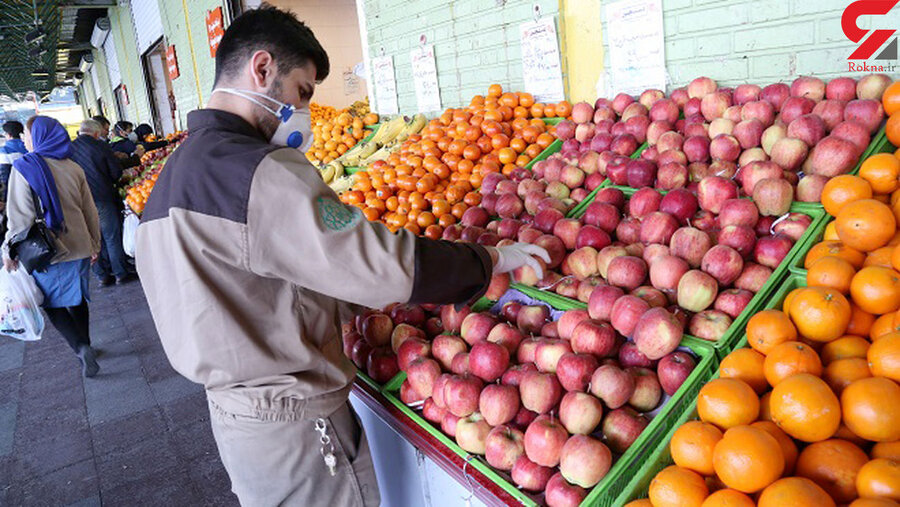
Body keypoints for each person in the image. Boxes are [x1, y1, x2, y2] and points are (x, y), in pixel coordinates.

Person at [135, 6, 547, 506]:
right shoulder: (255, 172)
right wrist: (490, 261)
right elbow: (381, 263)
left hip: (240, 422)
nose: (304, 111)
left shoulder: (169, 184)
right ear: (261, 69)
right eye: (302, 92)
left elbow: (257, 288)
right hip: (297, 426)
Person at [3, 116, 102, 377]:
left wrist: (8, 250)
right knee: (78, 298)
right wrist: (95, 243)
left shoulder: (23, 168)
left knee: (52, 304)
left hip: (48, 250)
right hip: (80, 246)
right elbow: (89, 210)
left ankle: (81, 347)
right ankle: (87, 344)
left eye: (27, 134)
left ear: (39, 137)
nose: (25, 139)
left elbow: (19, 217)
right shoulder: (73, 167)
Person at [70, 119, 134, 286]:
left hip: (80, 201)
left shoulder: (69, 148)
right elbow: (115, 172)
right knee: (111, 236)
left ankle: (102, 275)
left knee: (91, 237)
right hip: (102, 196)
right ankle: (120, 273)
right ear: (96, 133)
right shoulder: (100, 146)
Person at [0, 121, 28, 201]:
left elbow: (4, 177)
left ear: (8, 135)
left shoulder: (4, 151)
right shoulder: (28, 148)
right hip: (29, 189)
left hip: (12, 192)